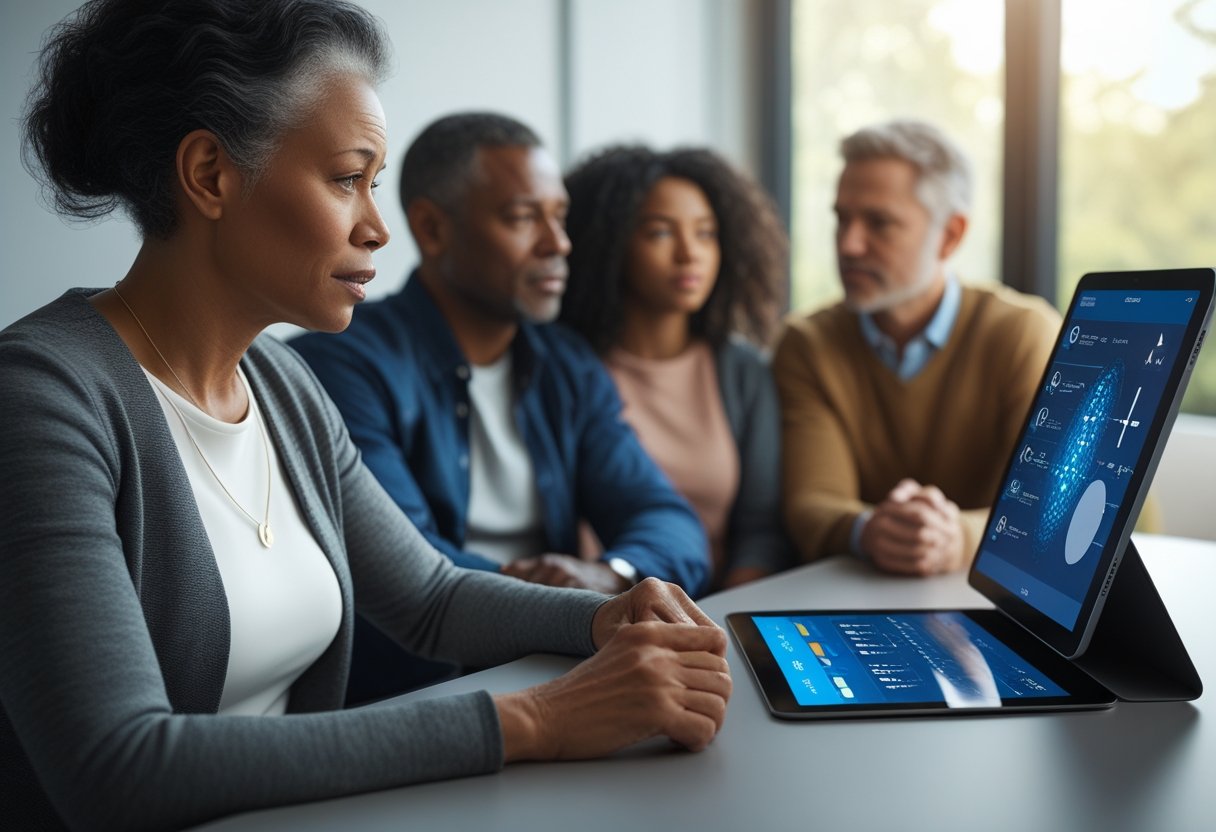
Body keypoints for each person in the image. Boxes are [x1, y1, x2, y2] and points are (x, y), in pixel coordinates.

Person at [0, 3, 730, 829]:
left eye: (373, 184)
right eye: (349, 179)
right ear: (209, 174)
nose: (378, 228)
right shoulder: (39, 400)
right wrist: (539, 720)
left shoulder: (281, 383)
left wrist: (609, 614)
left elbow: (431, 598)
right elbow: (116, 767)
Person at [290, 115, 711, 700]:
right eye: (522, 218)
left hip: (566, 663)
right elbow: (412, 574)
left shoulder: (566, 364)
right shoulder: (343, 365)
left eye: (559, 217)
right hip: (420, 696)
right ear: (433, 230)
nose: (558, 244)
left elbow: (669, 521)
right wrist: (564, 597)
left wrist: (607, 574)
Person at [773, 119, 1061, 576]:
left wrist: (955, 538)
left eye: (879, 222)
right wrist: (871, 530)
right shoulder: (808, 344)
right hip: (868, 600)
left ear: (950, 235)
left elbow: (1052, 508)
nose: (848, 245)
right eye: (841, 218)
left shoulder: (1023, 334)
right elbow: (812, 502)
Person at [560, 145, 791, 591]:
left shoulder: (742, 371)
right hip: (595, 612)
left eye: (706, 233)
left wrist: (720, 621)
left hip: (715, 610)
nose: (690, 254)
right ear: (609, 244)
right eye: (661, 233)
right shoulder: (566, 367)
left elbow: (761, 533)